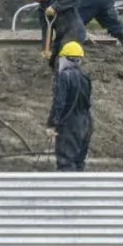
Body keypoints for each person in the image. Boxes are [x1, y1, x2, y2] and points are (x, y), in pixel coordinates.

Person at [47, 41, 94, 171]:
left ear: (65, 58)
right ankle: (79, 190)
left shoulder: (64, 76)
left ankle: (67, 191)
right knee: (79, 163)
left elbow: (59, 103)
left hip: (69, 126)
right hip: (85, 124)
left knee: (66, 163)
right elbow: (87, 104)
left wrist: (52, 124)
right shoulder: (85, 77)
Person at [25, 0, 87, 71]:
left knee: (65, 53)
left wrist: (55, 7)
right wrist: (46, 49)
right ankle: (56, 79)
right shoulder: (42, 9)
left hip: (74, 30)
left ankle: (70, 77)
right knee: (53, 59)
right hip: (61, 34)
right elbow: (45, 30)